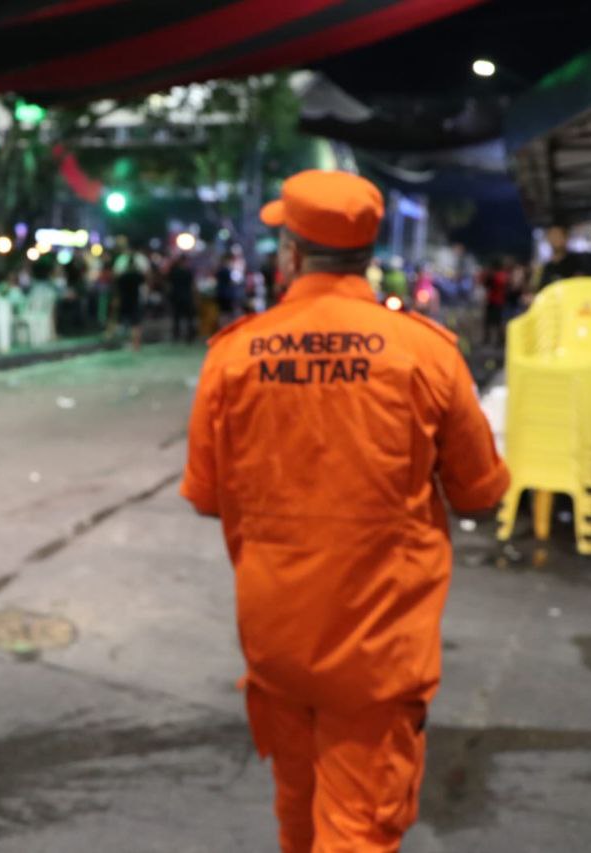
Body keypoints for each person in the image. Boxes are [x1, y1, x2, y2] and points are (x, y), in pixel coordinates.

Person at [182, 170, 510, 852]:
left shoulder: (234, 355)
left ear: (293, 254)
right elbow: (480, 492)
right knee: (359, 829)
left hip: (277, 640)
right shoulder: (426, 352)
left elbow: (209, 497)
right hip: (378, 652)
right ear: (366, 254)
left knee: (297, 815)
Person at [112, 240, 149, 351]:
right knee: (136, 322)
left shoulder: (123, 275)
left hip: (125, 299)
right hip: (136, 299)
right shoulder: (138, 275)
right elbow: (146, 278)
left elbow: (116, 280)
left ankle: (131, 342)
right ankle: (136, 343)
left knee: (125, 322)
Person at [536, 225, 584, 290]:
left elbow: (579, 285)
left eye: (558, 235)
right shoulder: (547, 267)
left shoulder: (576, 263)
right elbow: (541, 289)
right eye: (552, 235)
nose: (555, 239)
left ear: (566, 238)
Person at [168, 253, 196, 343]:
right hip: (186, 296)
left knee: (177, 318)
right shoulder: (188, 272)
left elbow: (169, 284)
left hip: (176, 296)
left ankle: (177, 335)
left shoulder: (174, 271)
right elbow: (192, 286)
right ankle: (189, 336)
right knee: (188, 318)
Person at [483, 259, 510, 346]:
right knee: (497, 322)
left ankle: (494, 339)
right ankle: (499, 340)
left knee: (491, 322)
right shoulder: (504, 275)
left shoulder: (495, 275)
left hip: (495, 301)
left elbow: (487, 284)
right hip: (499, 301)